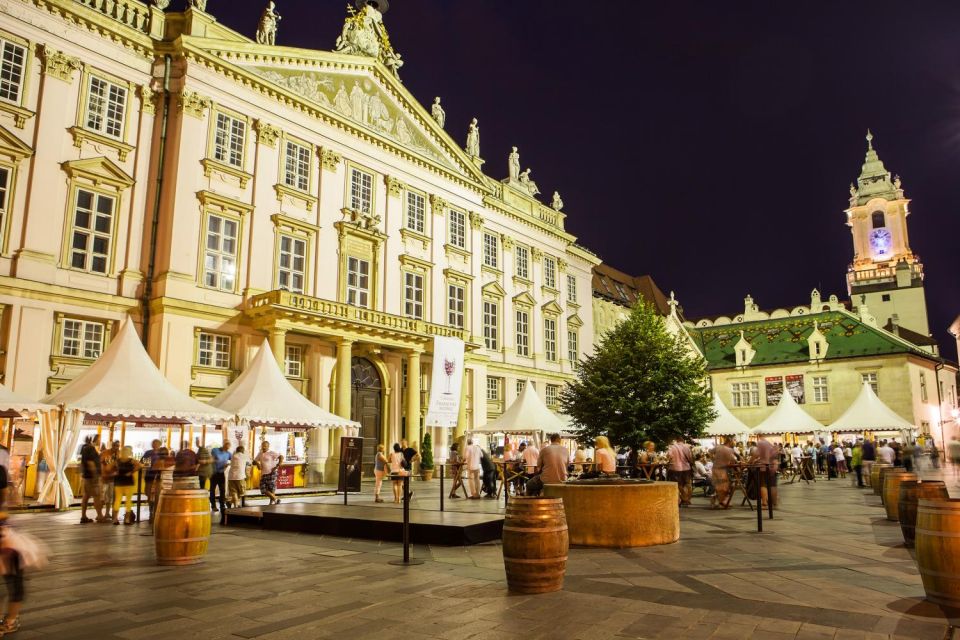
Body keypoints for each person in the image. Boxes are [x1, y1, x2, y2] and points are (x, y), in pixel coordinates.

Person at [79, 436, 107, 524]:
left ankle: (83, 516)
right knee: (97, 496)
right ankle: (100, 516)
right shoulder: (90, 449)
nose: (100, 441)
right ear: (94, 440)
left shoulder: (85, 448)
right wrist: (95, 475)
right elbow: (91, 463)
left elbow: (83, 463)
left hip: (86, 476)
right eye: (99, 439)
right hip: (92, 477)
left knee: (86, 496)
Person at [112, 446, 140, 525]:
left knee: (117, 500)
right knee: (128, 501)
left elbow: (108, 467)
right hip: (128, 482)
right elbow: (140, 465)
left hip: (118, 482)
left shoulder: (117, 461)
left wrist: (115, 472)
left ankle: (115, 519)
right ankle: (127, 519)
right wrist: (131, 472)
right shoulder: (132, 461)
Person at [666, 437, 694, 506]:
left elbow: (669, 456)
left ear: (676, 440)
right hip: (686, 468)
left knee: (679, 485)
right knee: (687, 484)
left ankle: (683, 498)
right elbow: (690, 458)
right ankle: (687, 499)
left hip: (675, 468)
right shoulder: (686, 447)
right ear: (683, 441)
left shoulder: (672, 447)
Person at [753, 435, 779, 508]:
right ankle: (774, 502)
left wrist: (751, 461)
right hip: (772, 466)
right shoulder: (769, 444)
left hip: (764, 466)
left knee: (763, 484)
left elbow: (756, 454)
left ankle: (764, 503)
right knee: (772, 484)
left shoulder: (761, 443)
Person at [141, 439, 164, 520]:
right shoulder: (148, 453)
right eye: (153, 443)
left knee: (156, 494)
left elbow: (166, 463)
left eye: (156, 443)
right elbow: (145, 464)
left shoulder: (162, 453)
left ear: (159, 444)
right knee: (148, 493)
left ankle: (154, 513)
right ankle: (151, 510)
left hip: (158, 476)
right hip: (149, 475)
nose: (154, 445)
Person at [209, 440, 231, 522]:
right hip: (214, 473)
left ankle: (222, 505)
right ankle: (213, 505)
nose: (227, 449)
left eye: (228, 448)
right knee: (212, 489)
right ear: (223, 445)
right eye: (226, 447)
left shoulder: (228, 453)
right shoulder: (215, 450)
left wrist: (228, 464)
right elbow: (212, 458)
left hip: (221, 473)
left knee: (222, 490)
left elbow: (233, 459)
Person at [712, 436, 736, 508]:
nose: (734, 443)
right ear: (730, 441)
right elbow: (732, 460)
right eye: (733, 441)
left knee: (719, 486)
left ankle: (720, 501)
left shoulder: (718, 447)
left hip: (715, 468)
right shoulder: (729, 450)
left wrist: (713, 459)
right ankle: (722, 502)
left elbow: (710, 452)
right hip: (722, 469)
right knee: (724, 487)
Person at [99, 440, 119, 522]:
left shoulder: (119, 454)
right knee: (102, 497)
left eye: (118, 446)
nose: (116, 447)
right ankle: (99, 514)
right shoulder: (105, 453)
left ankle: (107, 513)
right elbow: (99, 463)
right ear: (112, 446)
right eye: (115, 446)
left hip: (112, 478)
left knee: (110, 497)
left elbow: (119, 465)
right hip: (104, 477)